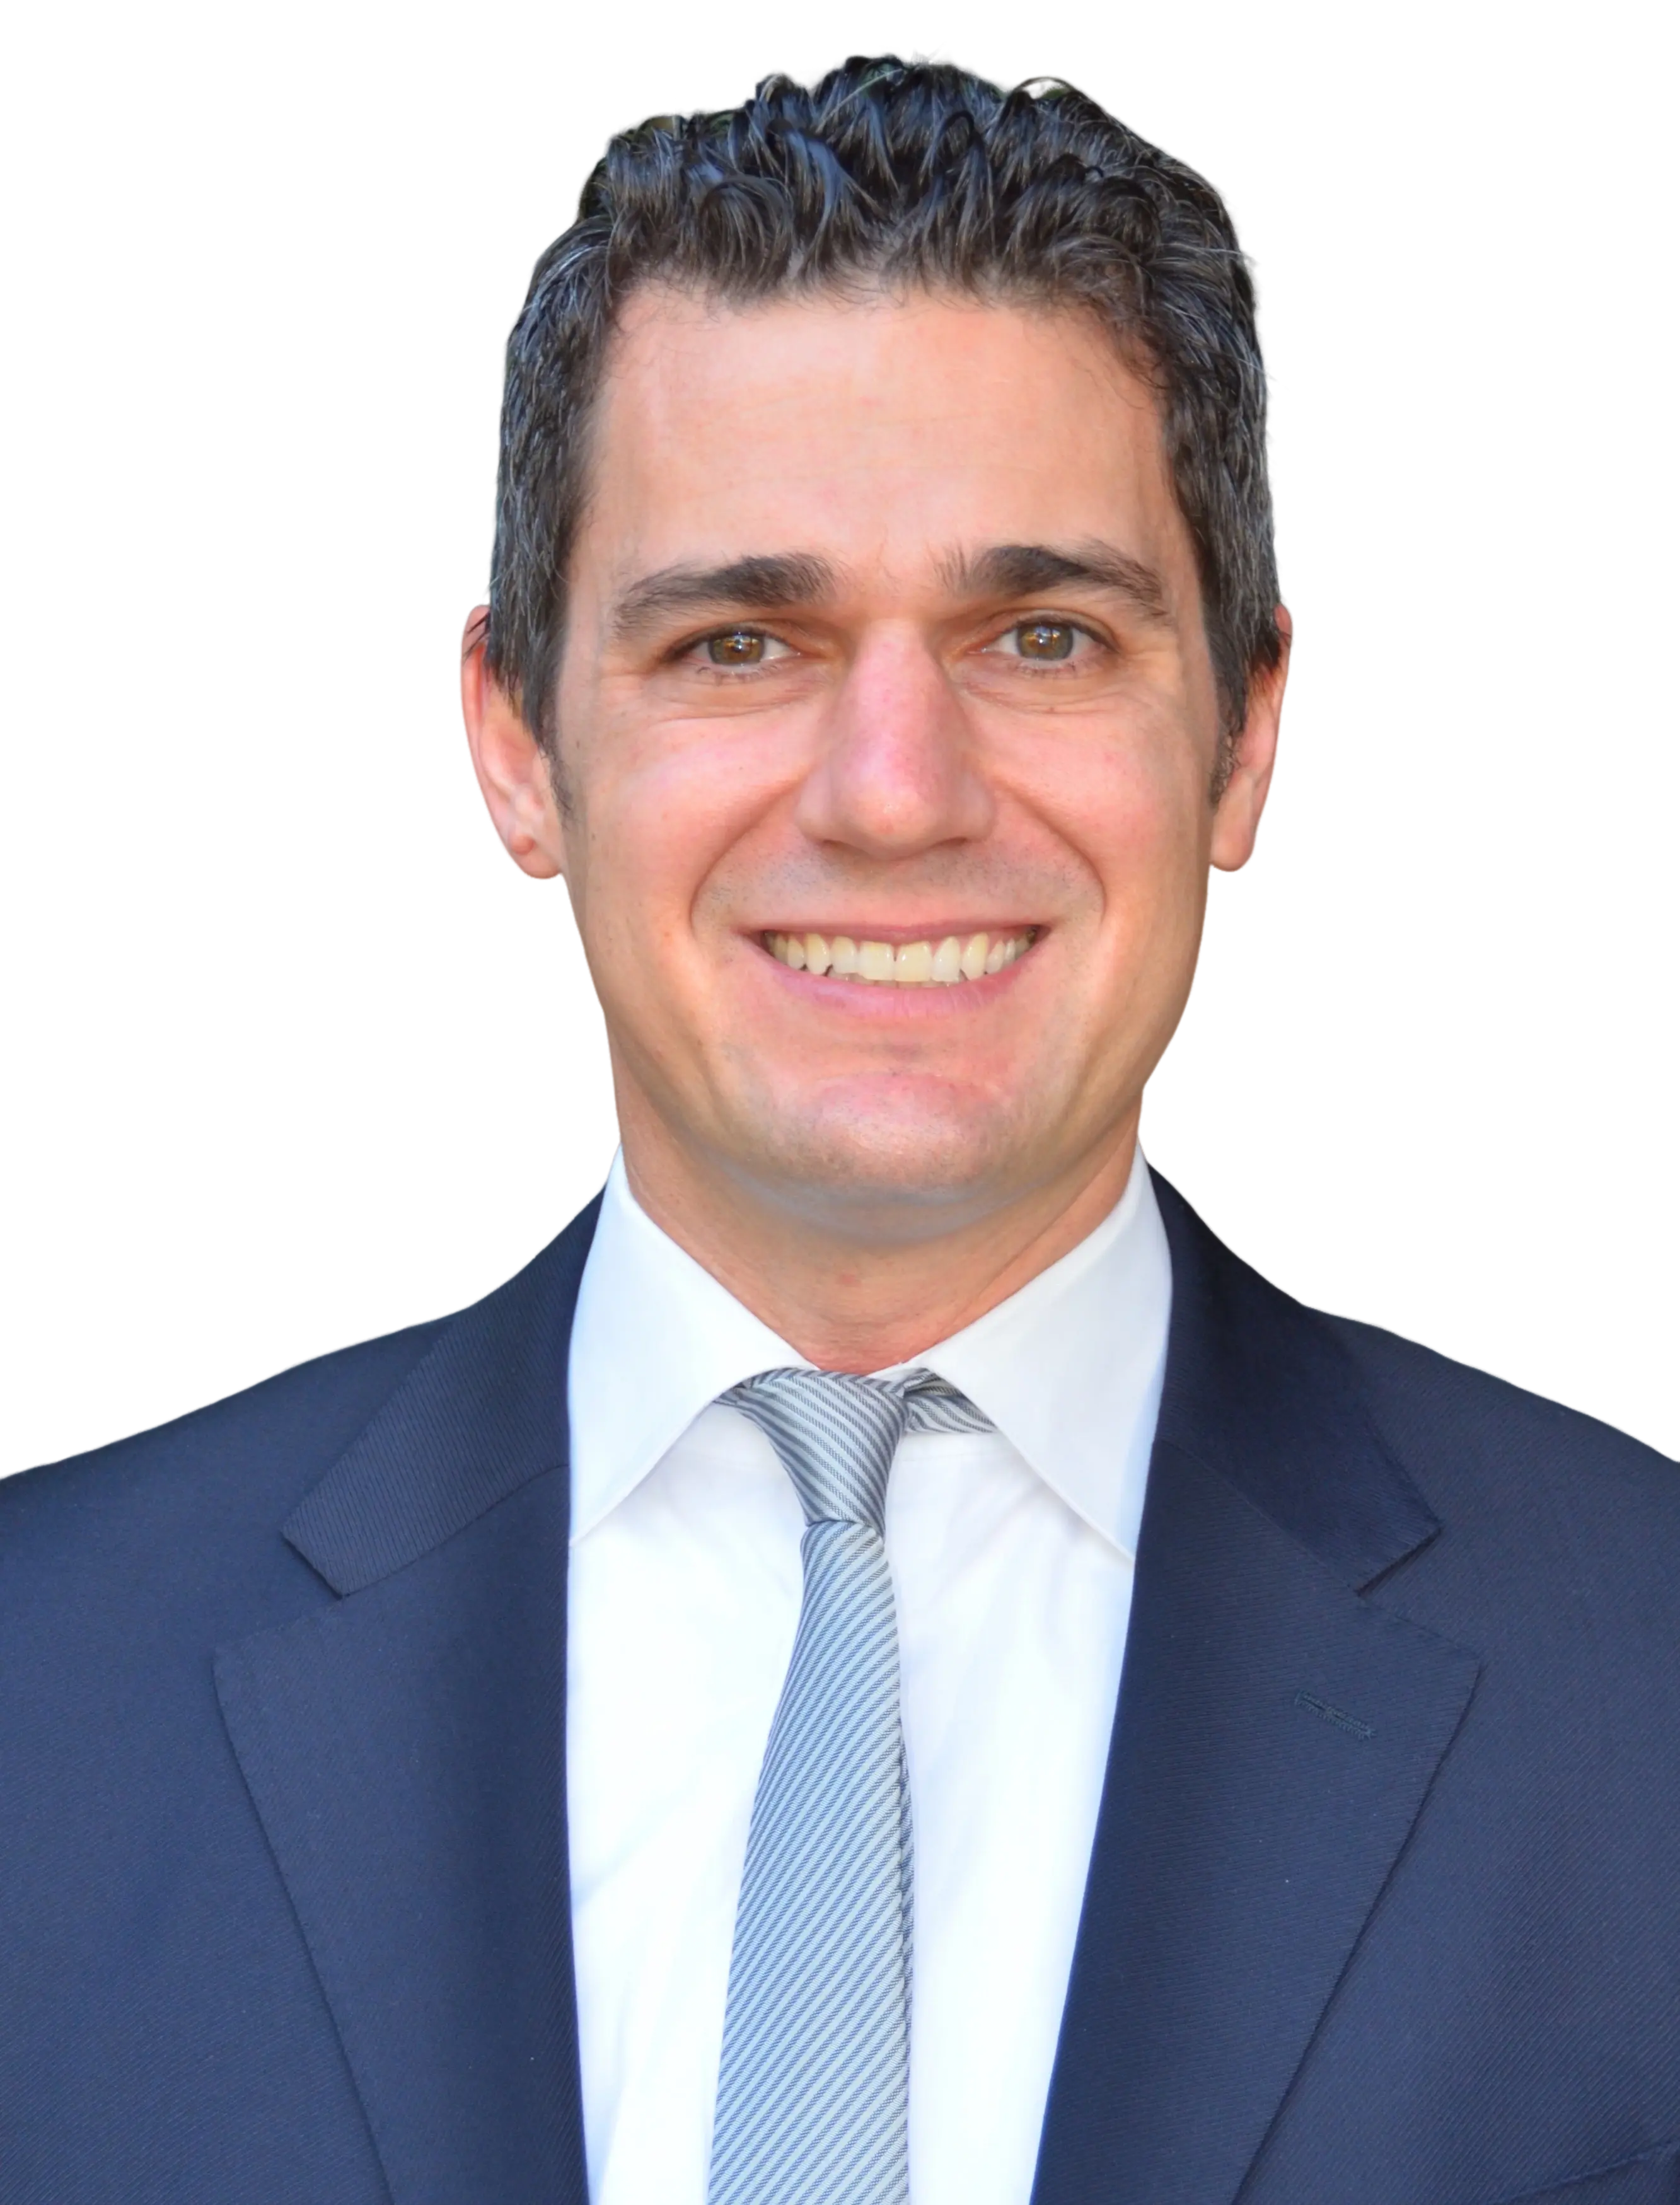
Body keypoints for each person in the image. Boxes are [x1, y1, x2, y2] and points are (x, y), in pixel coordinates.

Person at [4, 57, 1674, 2205]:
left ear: (1244, 735)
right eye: (741, 641)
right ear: (514, 746)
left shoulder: (1648, 1687)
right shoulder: (39, 1679)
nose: (896, 792)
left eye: (1044, 636)